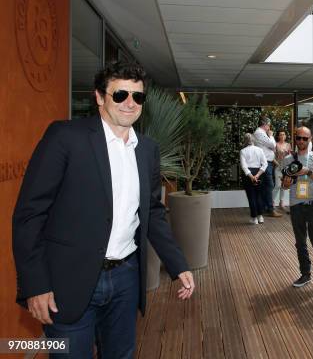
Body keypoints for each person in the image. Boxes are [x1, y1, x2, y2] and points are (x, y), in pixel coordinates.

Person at [12, 61, 195, 358]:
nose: (130, 103)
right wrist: (35, 284)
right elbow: (29, 215)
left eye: (138, 96)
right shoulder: (65, 137)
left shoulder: (147, 149)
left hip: (125, 278)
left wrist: (178, 264)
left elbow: (152, 211)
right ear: (99, 97)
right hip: (68, 283)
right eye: (120, 95)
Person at [281, 127, 313, 293]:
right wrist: (286, 183)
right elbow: (285, 185)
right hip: (296, 205)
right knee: (300, 243)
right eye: (298, 138)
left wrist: (308, 172)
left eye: (304, 138)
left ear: (310, 140)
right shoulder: (288, 159)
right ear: (295, 139)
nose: (301, 141)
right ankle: (305, 274)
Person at [253, 116, 282, 217]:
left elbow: (271, 147)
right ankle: (270, 209)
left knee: (265, 186)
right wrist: (271, 136)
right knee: (269, 185)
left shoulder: (260, 133)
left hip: (266, 162)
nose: (269, 127)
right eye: (269, 125)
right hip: (264, 163)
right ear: (265, 124)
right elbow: (273, 145)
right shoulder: (260, 133)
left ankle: (264, 207)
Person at [240, 133, 268, 224]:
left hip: (248, 175)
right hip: (259, 173)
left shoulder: (243, 151)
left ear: (245, 140)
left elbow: (244, 167)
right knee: (259, 195)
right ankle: (260, 217)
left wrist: (252, 176)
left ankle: (254, 218)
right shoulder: (260, 150)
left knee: (251, 196)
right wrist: (257, 175)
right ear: (254, 140)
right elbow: (265, 164)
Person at [273, 130, 291, 212]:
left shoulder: (288, 145)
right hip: (278, 167)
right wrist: (278, 165)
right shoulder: (275, 145)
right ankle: (272, 202)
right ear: (278, 136)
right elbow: (272, 157)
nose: (282, 136)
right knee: (277, 185)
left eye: (284, 134)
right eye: (281, 134)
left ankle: (281, 203)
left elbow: (290, 156)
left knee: (284, 186)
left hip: (286, 168)